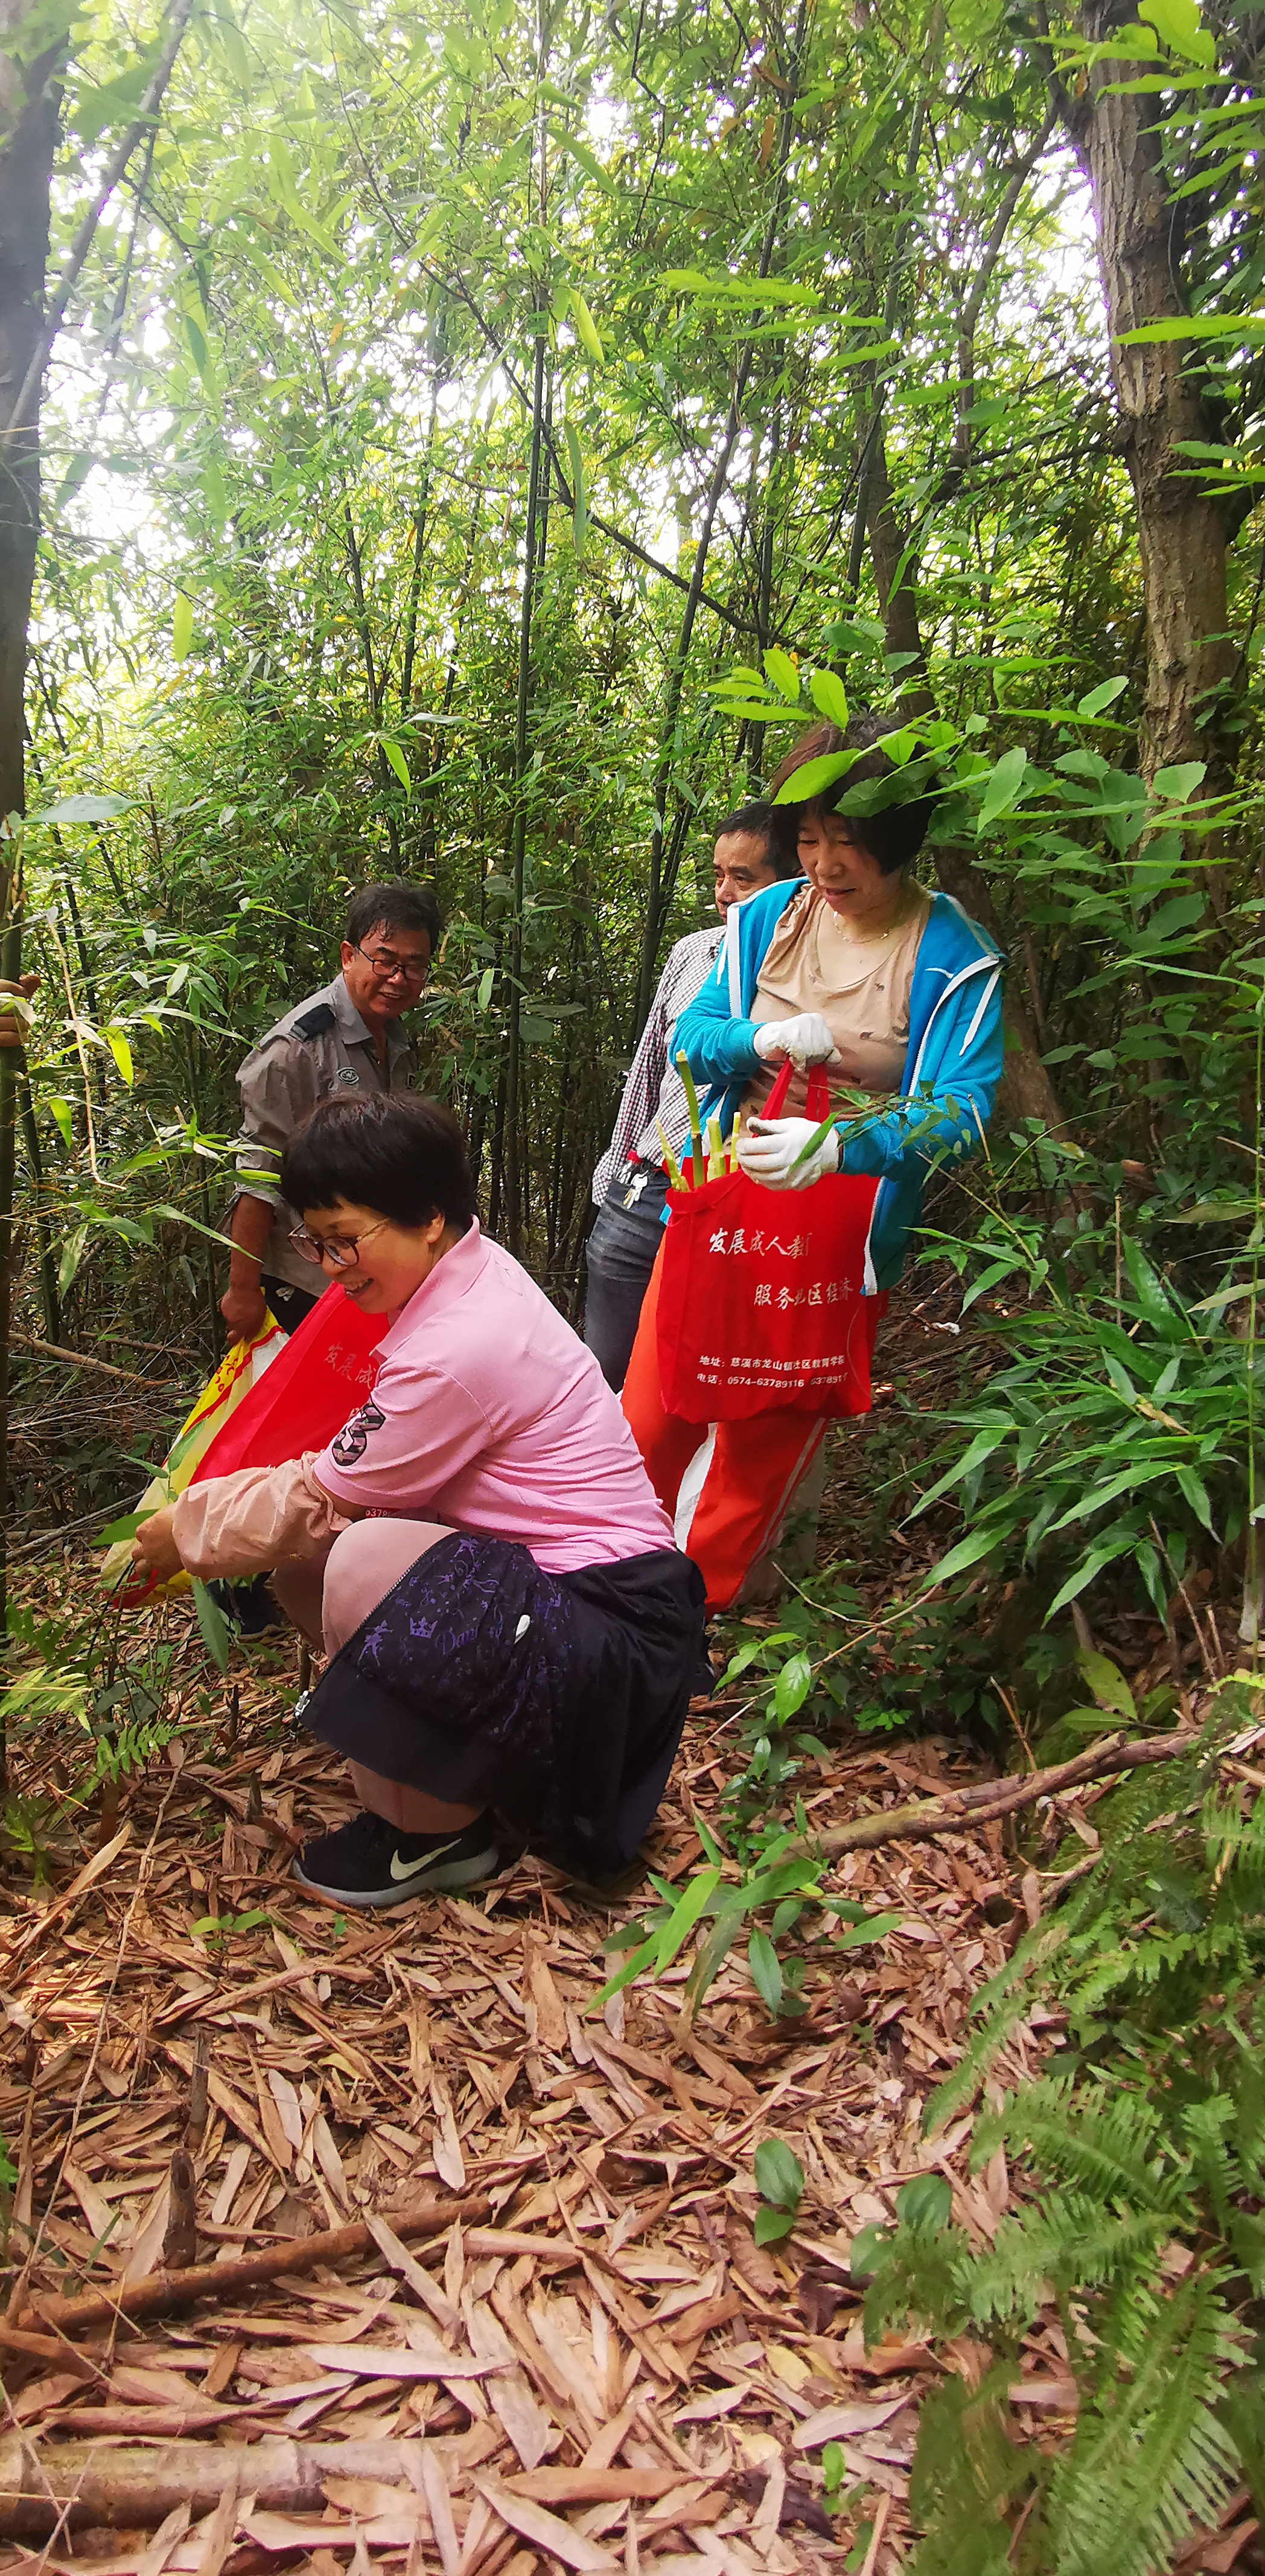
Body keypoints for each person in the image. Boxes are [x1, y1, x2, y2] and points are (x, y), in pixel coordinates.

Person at [129, 1093, 709, 1908]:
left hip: (608, 1633)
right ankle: (448, 1770)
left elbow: (322, 1496)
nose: (335, 1269)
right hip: (573, 1611)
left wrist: (180, 1532)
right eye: (318, 1244)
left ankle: (434, 1837)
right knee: (311, 1571)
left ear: (430, 1217)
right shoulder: (462, 1273)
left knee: (359, 1557)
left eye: (348, 1241)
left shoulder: (459, 1344)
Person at [622, 714, 1005, 1612]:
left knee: (767, 1434)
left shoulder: (954, 956)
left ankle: (693, 1613)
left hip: (839, 1229)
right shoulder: (766, 919)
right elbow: (693, 1035)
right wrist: (758, 1035)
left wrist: (844, 1143)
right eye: (808, 839)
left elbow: (963, 1106)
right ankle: (610, 1587)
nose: (825, 864)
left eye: (848, 841)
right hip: (720, 1200)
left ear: (898, 839)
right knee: (654, 1410)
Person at [584, 802, 792, 1390]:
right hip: (647, 1190)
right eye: (718, 875)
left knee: (704, 1382)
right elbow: (648, 1070)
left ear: (790, 882)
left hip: (746, 1207)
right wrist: (613, 1177)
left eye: (743, 877)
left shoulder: (809, 974)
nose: (724, 893)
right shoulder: (691, 952)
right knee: (605, 1375)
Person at [223, 883, 440, 1343]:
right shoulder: (295, 1051)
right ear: (348, 955)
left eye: (414, 966)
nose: (398, 978)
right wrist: (242, 1290)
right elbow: (258, 1177)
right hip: (305, 1281)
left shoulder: (393, 1033)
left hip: (370, 1276)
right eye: (384, 960)